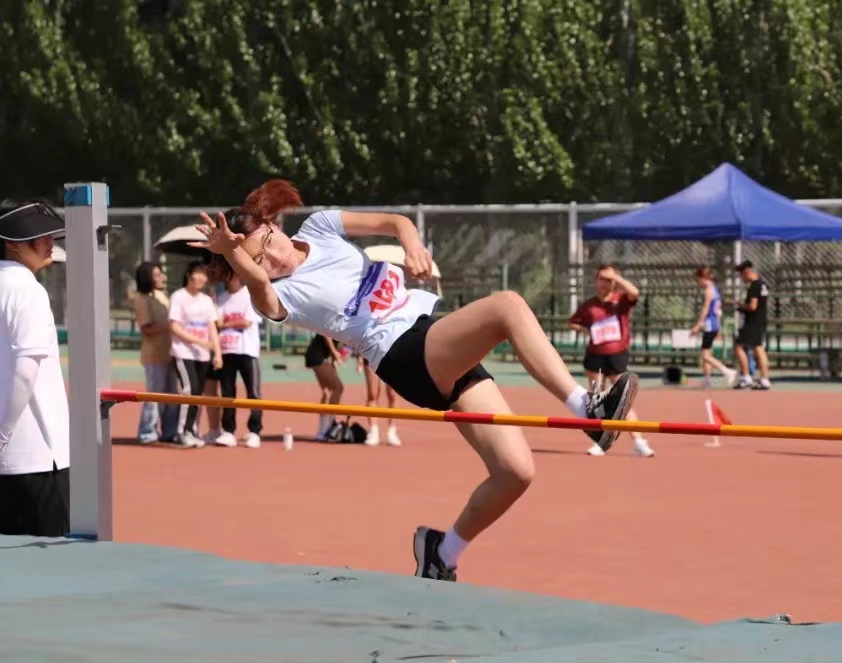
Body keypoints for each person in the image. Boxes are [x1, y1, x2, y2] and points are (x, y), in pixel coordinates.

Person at [192, 180, 638, 582]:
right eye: (258, 260)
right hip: (403, 353)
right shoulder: (278, 294)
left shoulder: (321, 227)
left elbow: (395, 222)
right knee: (507, 306)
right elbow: (258, 282)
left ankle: (442, 553)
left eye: (267, 244)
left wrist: (413, 247)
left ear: (273, 225)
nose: (272, 259)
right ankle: (588, 410)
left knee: (515, 473)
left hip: (432, 330)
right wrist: (235, 254)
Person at [0, 199, 70, 536]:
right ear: (13, 244)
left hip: (17, 457)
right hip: (35, 454)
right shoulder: (28, 291)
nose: (49, 242)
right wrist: (2, 435)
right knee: (47, 557)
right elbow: (26, 370)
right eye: (40, 236)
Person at [567, 265, 654, 457]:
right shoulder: (589, 305)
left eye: (609, 279)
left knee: (623, 399)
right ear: (596, 281)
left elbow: (635, 292)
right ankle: (600, 442)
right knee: (597, 400)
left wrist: (617, 277)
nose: (605, 283)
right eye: (601, 279)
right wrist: (586, 329)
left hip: (616, 355)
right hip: (595, 356)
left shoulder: (621, 300)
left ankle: (638, 441)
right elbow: (572, 322)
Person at [204, 273, 264, 448]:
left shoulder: (251, 295)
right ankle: (228, 431)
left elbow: (246, 322)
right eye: (231, 276)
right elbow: (217, 322)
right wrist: (224, 321)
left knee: (253, 392)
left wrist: (226, 324)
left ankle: (254, 431)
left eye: (237, 276)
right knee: (227, 393)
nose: (235, 279)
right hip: (226, 351)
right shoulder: (222, 298)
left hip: (247, 351)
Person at [169, 260, 222, 448]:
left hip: (203, 356)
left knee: (197, 394)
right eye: (197, 273)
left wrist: (217, 353)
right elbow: (174, 327)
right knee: (189, 390)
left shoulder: (206, 300)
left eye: (204, 274)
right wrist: (198, 341)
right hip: (183, 353)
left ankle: (192, 429)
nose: (201, 277)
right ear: (188, 275)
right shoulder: (178, 297)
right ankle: (182, 431)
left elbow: (212, 327)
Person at [133, 261, 181, 444]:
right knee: (154, 394)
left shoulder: (162, 296)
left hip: (171, 352)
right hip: (154, 355)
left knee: (171, 394)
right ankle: (147, 431)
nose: (162, 278)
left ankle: (170, 430)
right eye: (157, 275)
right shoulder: (142, 299)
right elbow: (147, 328)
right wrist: (172, 326)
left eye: (161, 274)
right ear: (147, 278)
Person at [689, 267, 737, 389]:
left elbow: (705, 310)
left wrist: (697, 325)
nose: (698, 283)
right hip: (714, 324)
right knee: (708, 352)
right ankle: (706, 380)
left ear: (703, 278)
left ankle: (727, 371)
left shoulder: (708, 291)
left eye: (698, 280)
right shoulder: (715, 290)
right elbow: (718, 311)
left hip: (710, 325)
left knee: (705, 355)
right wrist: (719, 327)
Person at [732, 260, 771, 390]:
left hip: (753, 322)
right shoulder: (763, 284)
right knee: (758, 348)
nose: (741, 278)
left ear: (747, 272)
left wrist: (740, 306)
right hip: (760, 320)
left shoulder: (754, 286)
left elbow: (752, 306)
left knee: (738, 347)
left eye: (742, 274)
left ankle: (746, 377)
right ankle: (764, 379)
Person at [304, 333, 346, 440]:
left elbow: (334, 343)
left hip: (316, 355)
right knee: (338, 387)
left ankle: (322, 431)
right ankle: (330, 425)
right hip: (317, 356)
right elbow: (327, 336)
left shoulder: (343, 330)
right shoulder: (336, 325)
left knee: (327, 392)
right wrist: (335, 353)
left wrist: (334, 359)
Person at [361, 358, 401, 446]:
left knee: (393, 394)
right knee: (372, 394)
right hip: (372, 355)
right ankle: (374, 431)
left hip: (392, 355)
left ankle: (392, 432)